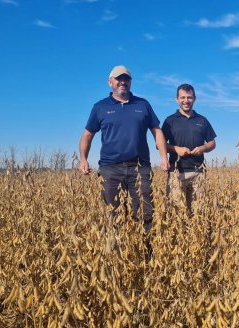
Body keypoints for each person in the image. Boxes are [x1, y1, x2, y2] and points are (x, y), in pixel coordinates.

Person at [79, 65, 169, 233]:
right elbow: (87, 135)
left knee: (144, 212)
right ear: (110, 82)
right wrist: (83, 159)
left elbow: (157, 131)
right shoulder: (100, 107)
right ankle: (115, 255)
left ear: (130, 82)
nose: (123, 82)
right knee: (111, 214)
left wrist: (164, 157)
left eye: (126, 79)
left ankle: (145, 253)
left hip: (140, 167)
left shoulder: (143, 104)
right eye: (118, 79)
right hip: (110, 169)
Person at [162, 83, 216, 211]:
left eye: (189, 97)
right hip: (176, 173)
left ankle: (198, 232)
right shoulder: (170, 121)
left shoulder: (202, 120)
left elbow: (212, 143)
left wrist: (202, 148)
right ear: (177, 99)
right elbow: (160, 144)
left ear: (194, 99)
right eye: (182, 97)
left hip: (198, 172)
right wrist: (177, 149)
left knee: (199, 211)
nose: (186, 101)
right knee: (176, 211)